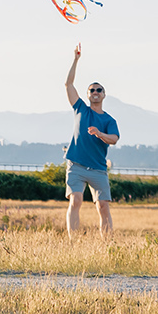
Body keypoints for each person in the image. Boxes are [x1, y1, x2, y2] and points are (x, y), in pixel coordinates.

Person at [64, 44, 119, 237]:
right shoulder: (80, 108)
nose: (95, 92)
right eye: (92, 90)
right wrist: (76, 60)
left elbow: (114, 139)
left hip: (98, 169)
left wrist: (100, 134)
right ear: (88, 95)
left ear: (104, 95)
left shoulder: (109, 120)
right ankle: (73, 242)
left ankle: (107, 244)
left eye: (99, 90)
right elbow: (68, 85)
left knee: (103, 206)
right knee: (75, 200)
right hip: (76, 165)